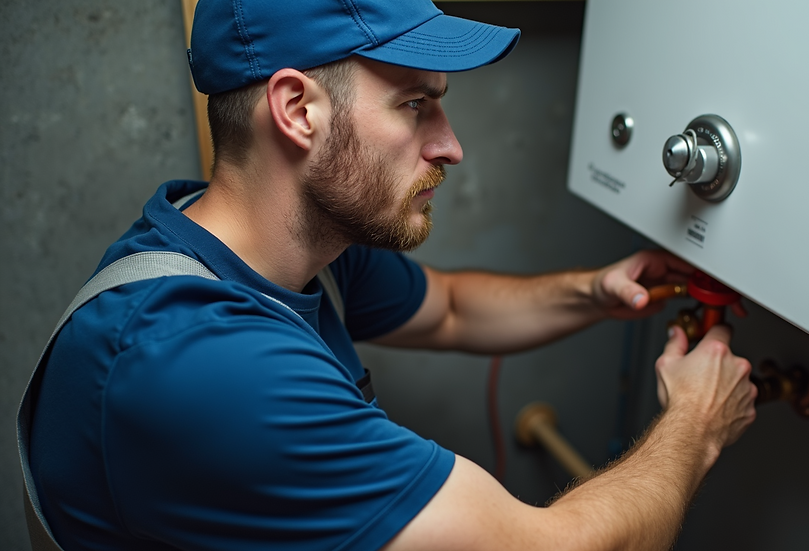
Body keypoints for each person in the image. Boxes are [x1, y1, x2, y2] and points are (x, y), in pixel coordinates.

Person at [25, 0, 757, 550]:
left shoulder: (290, 248)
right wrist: (697, 421)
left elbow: (450, 309)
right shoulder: (202, 365)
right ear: (297, 110)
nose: (452, 146)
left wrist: (594, 292)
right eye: (415, 105)